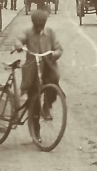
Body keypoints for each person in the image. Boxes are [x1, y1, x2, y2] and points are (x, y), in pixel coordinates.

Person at [12, 9, 63, 137]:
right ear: (33, 23)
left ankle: (47, 106)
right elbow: (19, 39)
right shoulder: (28, 32)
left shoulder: (50, 33)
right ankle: (36, 130)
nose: (39, 28)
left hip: (48, 65)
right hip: (33, 68)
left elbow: (58, 48)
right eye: (37, 25)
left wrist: (55, 54)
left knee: (54, 82)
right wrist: (19, 46)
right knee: (33, 99)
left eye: (41, 25)